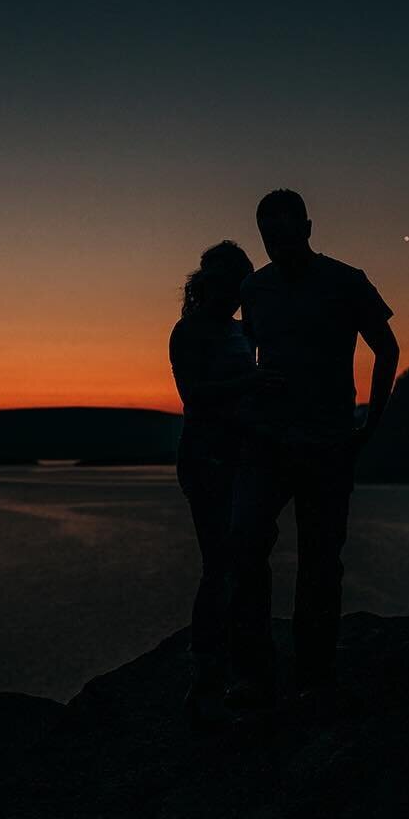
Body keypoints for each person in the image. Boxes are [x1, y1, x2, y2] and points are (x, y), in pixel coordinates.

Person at [227, 189, 399, 713]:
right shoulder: (254, 288)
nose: (277, 245)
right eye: (268, 238)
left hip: (327, 443)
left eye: (285, 233)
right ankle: (255, 676)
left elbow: (386, 347)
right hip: (267, 442)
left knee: (320, 562)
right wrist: (253, 381)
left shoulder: (346, 281)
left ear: (307, 226)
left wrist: (371, 421)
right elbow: (248, 355)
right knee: (245, 548)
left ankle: (314, 677)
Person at [168, 240, 280, 729]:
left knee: (250, 557)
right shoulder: (187, 331)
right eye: (231, 285)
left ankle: (249, 666)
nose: (236, 295)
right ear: (210, 284)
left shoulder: (243, 330)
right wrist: (251, 385)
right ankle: (205, 672)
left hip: (245, 455)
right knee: (219, 562)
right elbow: (194, 396)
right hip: (205, 456)